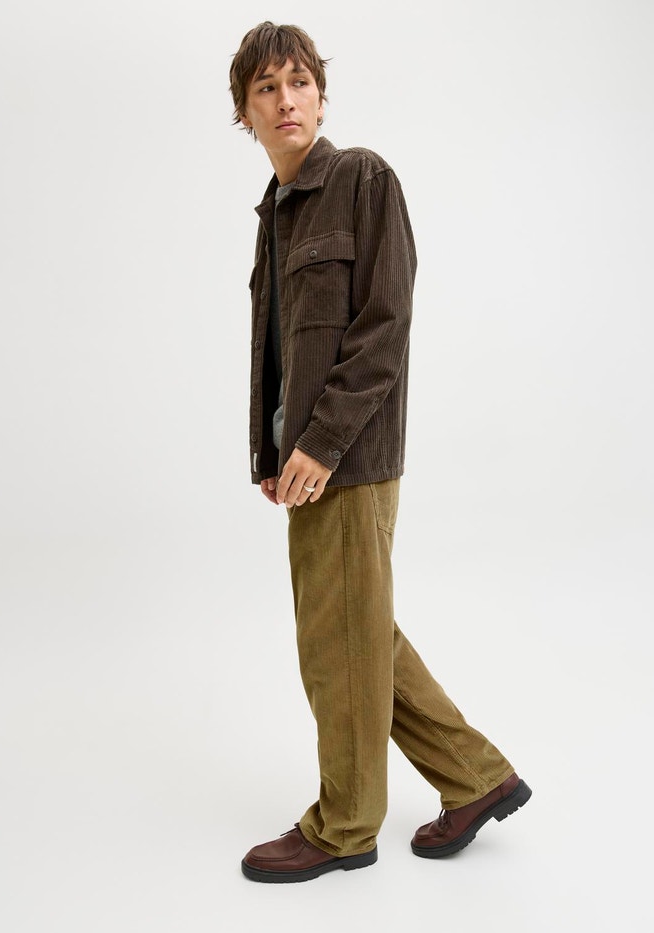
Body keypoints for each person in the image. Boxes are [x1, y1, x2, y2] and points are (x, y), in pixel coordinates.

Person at [229, 21, 531, 884]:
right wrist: (270, 450)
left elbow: (384, 327)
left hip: (349, 456)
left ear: (322, 97)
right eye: (266, 89)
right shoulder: (274, 214)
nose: (286, 100)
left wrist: (321, 443)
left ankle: (346, 825)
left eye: (299, 82)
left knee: (338, 647)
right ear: (244, 113)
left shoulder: (363, 178)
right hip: (305, 459)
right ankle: (476, 777)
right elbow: (278, 348)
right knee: (358, 632)